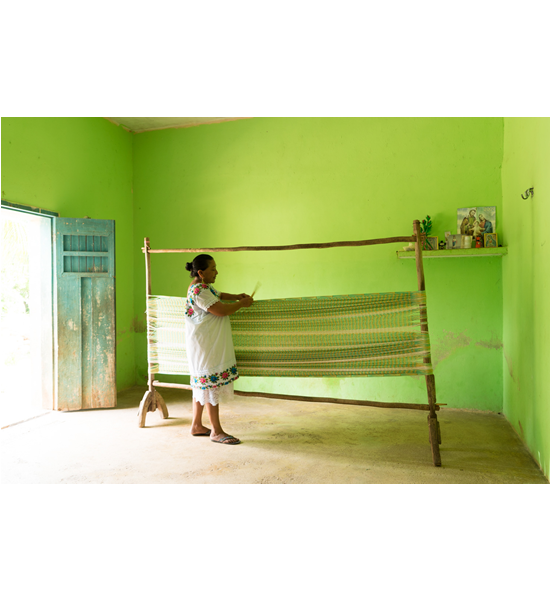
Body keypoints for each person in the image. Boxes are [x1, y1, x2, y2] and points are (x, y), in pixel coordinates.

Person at [184, 254, 253, 445]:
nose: (216, 272)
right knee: (209, 384)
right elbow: (221, 310)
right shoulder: (199, 291)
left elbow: (219, 295)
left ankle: (196, 425)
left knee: (202, 384)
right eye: (213, 269)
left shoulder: (203, 286)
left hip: (204, 342)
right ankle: (216, 431)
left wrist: (236, 296)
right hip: (205, 344)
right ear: (201, 272)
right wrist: (241, 304)